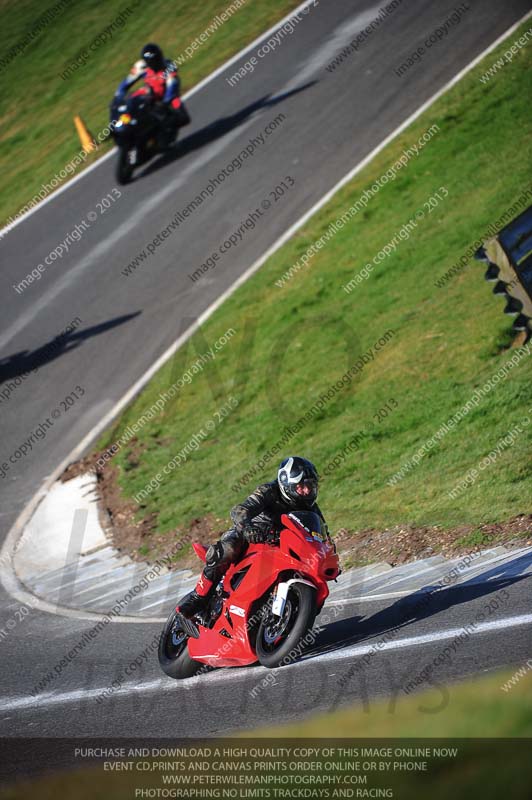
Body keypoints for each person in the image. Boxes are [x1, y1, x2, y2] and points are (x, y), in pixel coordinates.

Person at [177, 456, 331, 620]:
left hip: (281, 544)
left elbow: (322, 534)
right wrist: (248, 529)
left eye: (310, 486)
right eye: (301, 487)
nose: (307, 491)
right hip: (251, 535)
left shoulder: (311, 508)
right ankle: (198, 597)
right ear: (287, 484)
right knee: (228, 549)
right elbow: (239, 511)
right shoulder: (269, 491)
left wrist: (328, 554)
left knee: (315, 579)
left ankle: (294, 616)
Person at [110, 43, 190, 138]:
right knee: (128, 103)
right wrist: (118, 95)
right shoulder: (141, 66)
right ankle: (117, 126)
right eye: (150, 61)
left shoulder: (168, 66)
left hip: (167, 95)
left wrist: (165, 102)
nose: (154, 63)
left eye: (155, 60)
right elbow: (127, 82)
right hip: (149, 93)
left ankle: (167, 130)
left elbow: (172, 85)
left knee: (183, 117)